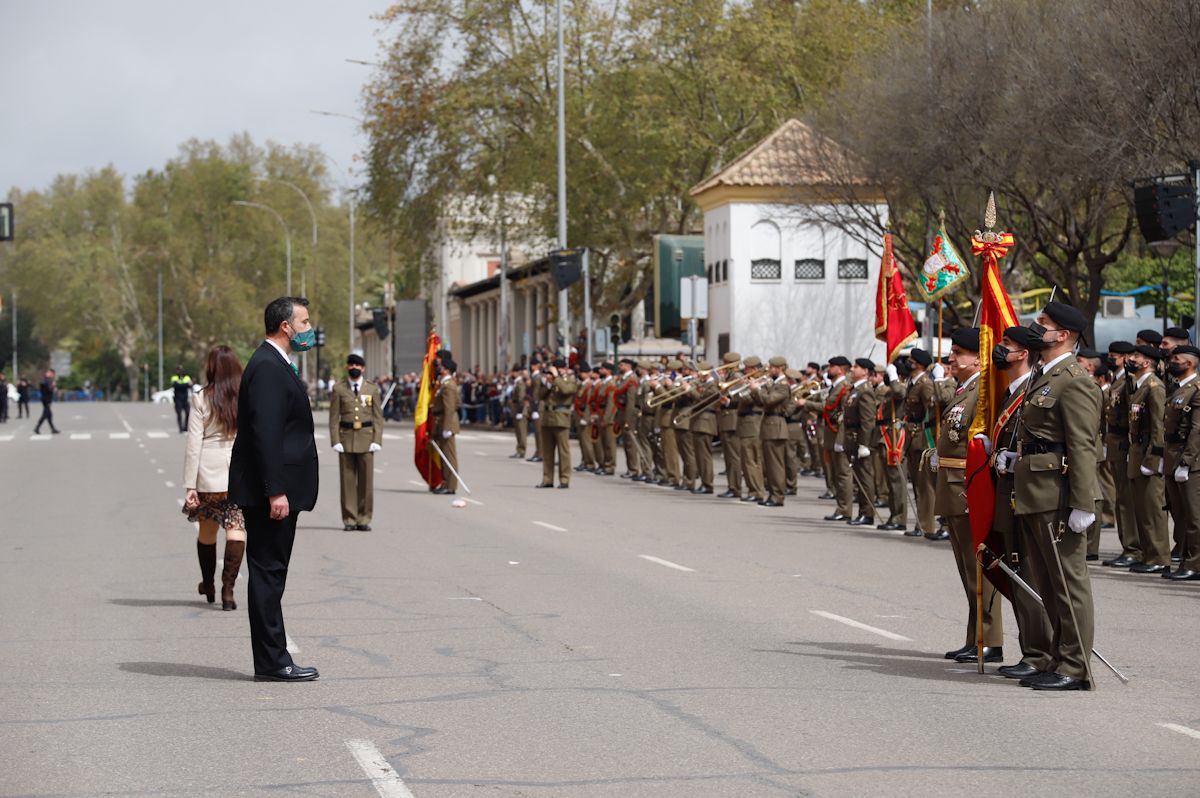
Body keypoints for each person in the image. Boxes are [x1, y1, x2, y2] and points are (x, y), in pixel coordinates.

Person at [228, 296, 320, 682]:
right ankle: (272, 661)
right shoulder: (267, 367)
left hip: (278, 488)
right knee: (267, 573)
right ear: (286, 326)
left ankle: (273, 656)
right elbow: (265, 435)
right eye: (304, 322)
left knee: (272, 573)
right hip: (272, 493)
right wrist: (275, 490)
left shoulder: (276, 364)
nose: (309, 328)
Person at [1011, 301, 1102, 690]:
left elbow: (1083, 446)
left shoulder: (1074, 380)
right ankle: (1055, 656)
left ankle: (1075, 668)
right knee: (1048, 584)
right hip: (1034, 489)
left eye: (1042, 324)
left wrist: (1083, 503)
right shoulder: (1042, 376)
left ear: (1062, 334)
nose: (1035, 327)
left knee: (1068, 584)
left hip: (1057, 495)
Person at [987, 327, 1055, 680]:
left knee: (1028, 572)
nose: (1000, 351)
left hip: (1027, 494)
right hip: (1007, 493)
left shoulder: (1035, 389)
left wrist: (1016, 459)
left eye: (1006, 346)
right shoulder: (1012, 392)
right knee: (1016, 572)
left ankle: (1040, 653)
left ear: (1023, 354)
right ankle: (1031, 648)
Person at [934, 327, 1004, 664]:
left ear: (978, 356)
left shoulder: (982, 392)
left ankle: (989, 639)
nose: (951, 358)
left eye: (959, 352)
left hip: (966, 486)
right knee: (966, 568)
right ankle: (975, 637)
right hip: (951, 485)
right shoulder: (966, 389)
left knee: (979, 568)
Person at [182, 346, 247, 611]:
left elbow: (193, 443)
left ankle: (208, 583)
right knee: (237, 531)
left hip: (209, 475)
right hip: (238, 472)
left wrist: (190, 484)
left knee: (207, 532)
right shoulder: (246, 396)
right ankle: (228, 589)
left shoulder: (201, 398)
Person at [1125, 343, 1170, 574]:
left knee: (1152, 510)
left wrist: (1154, 460)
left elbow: (1158, 428)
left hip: (1148, 455)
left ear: (1147, 362)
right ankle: (1148, 553)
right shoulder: (1139, 386)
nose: (1131, 359)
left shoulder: (1154, 387)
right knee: (1141, 509)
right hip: (1137, 454)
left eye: (1136, 356)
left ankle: (1160, 556)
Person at [329, 354, 384, 530]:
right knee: (347, 482)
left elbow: (378, 418)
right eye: (351, 364)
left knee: (366, 483)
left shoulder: (371, 389)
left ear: (363, 368)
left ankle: (364, 518)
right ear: (347, 367)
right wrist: (335, 440)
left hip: (367, 439)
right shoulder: (339, 388)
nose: (354, 367)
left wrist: (377, 439)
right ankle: (350, 519)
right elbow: (333, 418)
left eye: (357, 365)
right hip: (345, 438)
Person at [1163, 345, 1200, 578]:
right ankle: (1185, 559)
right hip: (1172, 456)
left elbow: (1197, 430)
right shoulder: (1179, 389)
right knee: (1180, 514)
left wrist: (1186, 461)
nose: (1172, 362)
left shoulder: (1196, 390)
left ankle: (1194, 564)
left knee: (1193, 516)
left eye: (1177, 359)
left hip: (1190, 460)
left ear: (1190, 363)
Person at [844, 357, 878, 525]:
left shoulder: (865, 391)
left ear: (865, 371)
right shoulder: (855, 389)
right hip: (852, 437)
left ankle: (867, 513)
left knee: (864, 477)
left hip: (859, 439)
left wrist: (864, 444)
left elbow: (867, 421)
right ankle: (862, 511)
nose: (852, 369)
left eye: (856, 367)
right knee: (859, 476)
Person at [535, 357, 577, 488]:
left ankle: (564, 479)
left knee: (563, 451)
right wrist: (547, 383)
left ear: (563, 369)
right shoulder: (551, 381)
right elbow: (540, 395)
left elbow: (566, 391)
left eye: (556, 369)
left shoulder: (570, 380)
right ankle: (547, 479)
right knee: (547, 451)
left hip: (561, 417)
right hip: (547, 417)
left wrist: (556, 378)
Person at [755, 356, 791, 506]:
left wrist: (757, 388)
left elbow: (769, 400)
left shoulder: (783, 385)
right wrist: (756, 389)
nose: (769, 370)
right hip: (769, 425)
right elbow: (761, 402)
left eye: (771, 368)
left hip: (776, 426)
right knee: (768, 465)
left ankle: (777, 496)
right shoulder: (773, 383)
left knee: (775, 465)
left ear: (780, 368)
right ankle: (772, 494)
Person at [431, 359, 461, 494]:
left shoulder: (448, 385)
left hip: (446, 422)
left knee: (449, 456)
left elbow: (450, 408)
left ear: (447, 370)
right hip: (441, 421)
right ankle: (445, 482)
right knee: (444, 455)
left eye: (441, 367)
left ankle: (450, 486)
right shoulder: (444, 384)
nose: (438, 368)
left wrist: (447, 427)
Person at [34, 368, 59, 435]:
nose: (53, 376)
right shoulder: (45, 381)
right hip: (46, 400)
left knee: (48, 415)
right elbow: (48, 390)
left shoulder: (48, 380)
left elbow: (50, 389)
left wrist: (53, 387)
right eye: (52, 374)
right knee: (46, 414)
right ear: (50, 373)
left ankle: (52, 429)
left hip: (47, 399)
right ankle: (37, 428)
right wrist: (53, 386)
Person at [171, 366, 194, 433]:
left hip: (185, 399)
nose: (179, 372)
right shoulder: (174, 377)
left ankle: (185, 427)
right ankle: (180, 428)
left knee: (188, 413)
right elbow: (176, 386)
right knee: (179, 414)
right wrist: (185, 385)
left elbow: (190, 386)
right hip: (177, 399)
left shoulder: (187, 377)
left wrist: (183, 385)